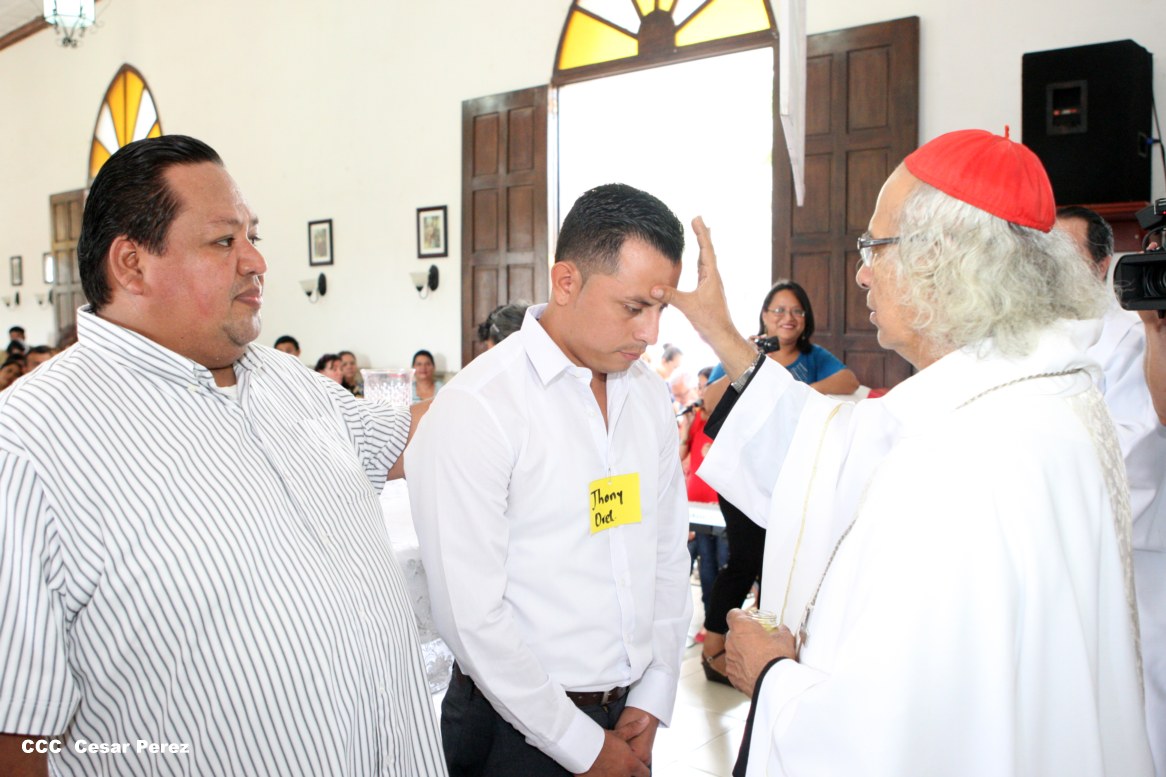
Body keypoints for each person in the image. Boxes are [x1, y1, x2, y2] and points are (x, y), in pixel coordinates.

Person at [655, 129, 1152, 776]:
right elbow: (828, 445)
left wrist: (772, 672)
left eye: (874, 247)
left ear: (939, 258)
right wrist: (720, 331)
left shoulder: (963, 460)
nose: (861, 271)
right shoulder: (1046, 397)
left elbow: (884, 741)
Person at [0, 135, 444, 776]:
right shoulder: (30, 445)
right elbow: (17, 740)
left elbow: (411, 438)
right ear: (132, 264)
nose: (256, 260)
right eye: (223, 241)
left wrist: (545, 357)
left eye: (252, 235)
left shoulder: (282, 378)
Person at [408, 183, 692, 777]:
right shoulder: (480, 408)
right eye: (633, 307)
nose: (650, 332)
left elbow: (666, 554)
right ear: (566, 282)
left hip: (628, 712)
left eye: (661, 309)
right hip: (514, 729)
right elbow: (470, 617)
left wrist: (654, 690)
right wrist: (580, 744)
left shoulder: (646, 398)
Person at [699, 280, 858, 687]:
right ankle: (713, 649)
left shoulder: (813, 357)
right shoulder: (745, 352)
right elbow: (710, 401)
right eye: (779, 310)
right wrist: (752, 363)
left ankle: (764, 651)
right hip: (746, 476)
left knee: (780, 561)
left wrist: (791, 396)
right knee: (745, 559)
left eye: (797, 311)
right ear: (765, 316)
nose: (788, 318)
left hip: (796, 481)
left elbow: (847, 381)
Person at [1057, 205, 1166, 776]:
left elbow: (1136, 444)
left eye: (1066, 252)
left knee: (1145, 701)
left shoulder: (1131, 331)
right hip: (1067, 553)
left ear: (1102, 266)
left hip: (1136, 555)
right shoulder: (1034, 337)